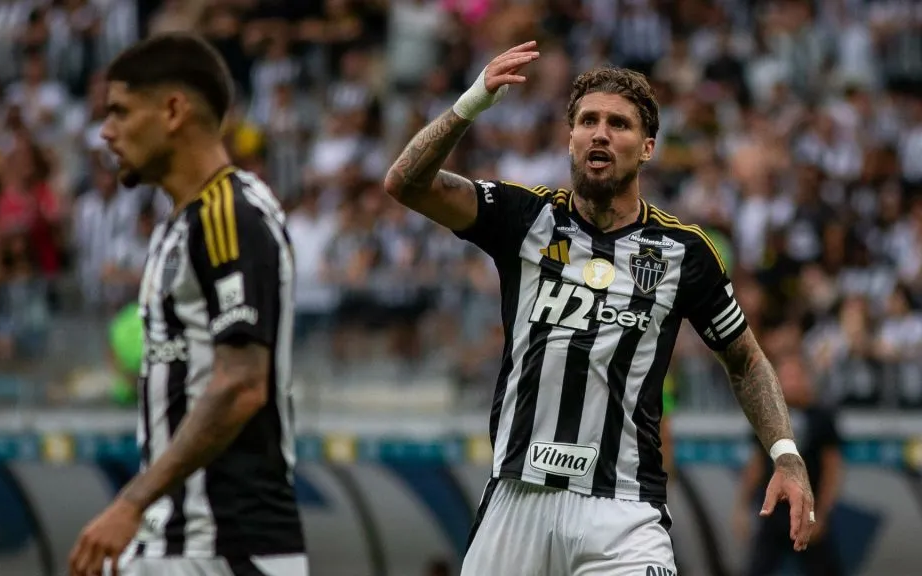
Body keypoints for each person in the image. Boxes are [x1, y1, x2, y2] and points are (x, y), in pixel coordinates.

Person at [383, 41, 816, 575]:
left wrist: (786, 455)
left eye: (619, 124)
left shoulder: (684, 253)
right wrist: (471, 102)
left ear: (648, 147)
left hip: (624, 513)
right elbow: (405, 183)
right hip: (518, 499)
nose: (601, 133)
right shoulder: (525, 219)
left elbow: (745, 360)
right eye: (588, 120)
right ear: (570, 138)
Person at [68, 34, 306, 576]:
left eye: (120, 111)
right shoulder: (179, 225)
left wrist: (130, 501)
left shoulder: (230, 216)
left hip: (225, 548)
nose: (106, 131)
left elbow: (241, 384)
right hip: (178, 541)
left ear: (174, 111)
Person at [734, 353, 845, 576]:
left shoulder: (821, 417)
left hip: (807, 511)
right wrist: (742, 507)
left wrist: (822, 513)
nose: (791, 382)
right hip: (774, 512)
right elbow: (756, 465)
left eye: (796, 376)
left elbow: (832, 470)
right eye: (785, 376)